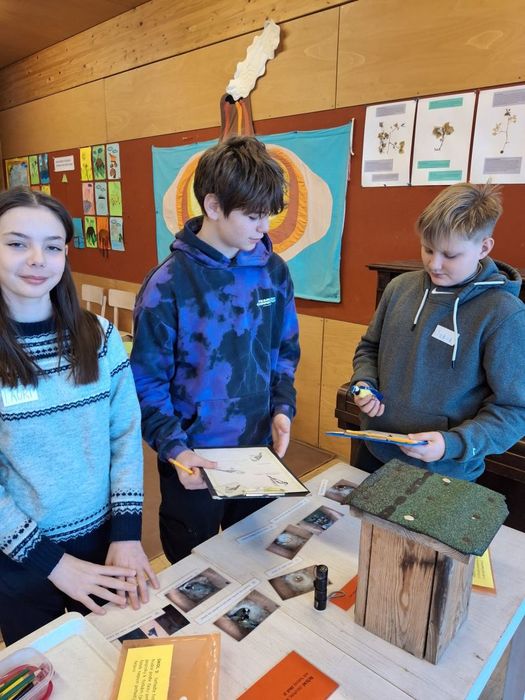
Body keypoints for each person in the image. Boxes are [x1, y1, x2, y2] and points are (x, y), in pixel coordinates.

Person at [0, 186, 158, 645]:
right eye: (17, 243)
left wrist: (127, 533)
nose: (38, 259)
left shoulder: (99, 336)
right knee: (57, 671)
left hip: (108, 544)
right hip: (23, 562)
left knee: (124, 656)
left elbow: (124, 435)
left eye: (52, 247)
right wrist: (54, 565)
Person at [131, 136, 300, 563]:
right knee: (196, 575)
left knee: (258, 564)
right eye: (253, 216)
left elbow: (284, 350)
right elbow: (146, 383)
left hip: (257, 454)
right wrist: (175, 449)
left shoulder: (274, 272)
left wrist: (282, 408)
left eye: (268, 215)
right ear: (212, 206)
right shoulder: (168, 284)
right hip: (194, 461)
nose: (264, 228)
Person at [351, 182, 525, 481]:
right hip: (375, 448)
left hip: (445, 470)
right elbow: (369, 348)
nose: (434, 264)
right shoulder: (398, 288)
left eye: (450, 255)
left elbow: (515, 409)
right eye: (428, 249)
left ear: (484, 247)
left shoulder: (503, 313)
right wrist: (363, 383)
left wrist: (452, 443)